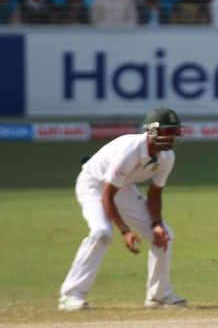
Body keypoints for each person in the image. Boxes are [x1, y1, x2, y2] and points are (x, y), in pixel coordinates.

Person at [58, 107, 186, 311]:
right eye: (169, 131)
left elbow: (154, 194)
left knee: (164, 234)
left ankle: (158, 295)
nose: (174, 137)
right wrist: (125, 230)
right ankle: (70, 294)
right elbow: (107, 196)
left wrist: (157, 224)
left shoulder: (166, 157)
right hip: (94, 185)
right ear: (152, 131)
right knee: (102, 232)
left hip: (123, 188)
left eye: (176, 132)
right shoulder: (130, 149)